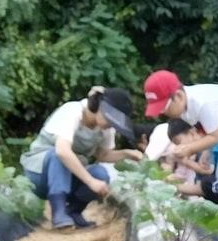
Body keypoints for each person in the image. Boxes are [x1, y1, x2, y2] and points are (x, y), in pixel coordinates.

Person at [143, 71, 218, 237]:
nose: (163, 113)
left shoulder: (202, 102)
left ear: (177, 96)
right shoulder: (185, 109)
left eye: (164, 107)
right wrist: (205, 152)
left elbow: (216, 136)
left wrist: (189, 148)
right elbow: (206, 131)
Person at [19, 87, 140, 230]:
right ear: (99, 107)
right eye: (109, 119)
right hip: (39, 174)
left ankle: (73, 212)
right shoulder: (72, 111)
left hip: (68, 176)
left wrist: (127, 153)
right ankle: (59, 212)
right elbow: (62, 151)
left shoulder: (105, 129)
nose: (110, 125)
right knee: (58, 156)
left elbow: (103, 155)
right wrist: (90, 181)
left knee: (100, 173)